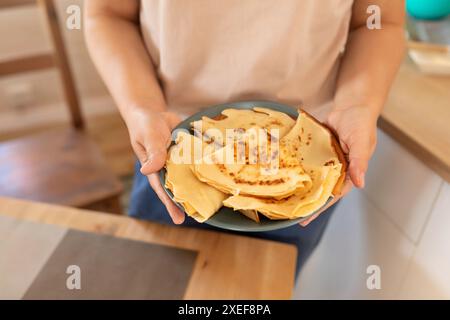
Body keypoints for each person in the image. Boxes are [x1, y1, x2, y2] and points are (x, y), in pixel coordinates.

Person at [84, 0, 405, 275]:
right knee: (158, 288)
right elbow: (110, 13)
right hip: (170, 148)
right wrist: (142, 109)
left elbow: (378, 21)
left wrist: (357, 106)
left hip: (307, 164)